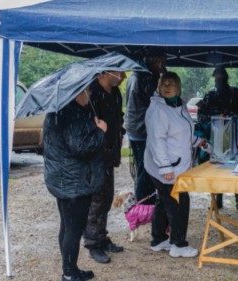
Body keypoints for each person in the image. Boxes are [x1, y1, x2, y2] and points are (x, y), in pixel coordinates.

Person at [43, 88, 107, 281]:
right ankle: (69, 273)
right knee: (73, 229)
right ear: (77, 93)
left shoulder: (58, 112)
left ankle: (70, 268)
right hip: (74, 183)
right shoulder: (72, 115)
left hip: (63, 179)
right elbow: (81, 147)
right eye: (87, 91)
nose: (89, 95)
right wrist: (100, 131)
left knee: (67, 225)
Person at [144, 71, 206, 258]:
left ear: (178, 87)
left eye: (171, 84)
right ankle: (178, 244)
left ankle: (158, 239)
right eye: (164, 84)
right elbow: (157, 141)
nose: (167, 87)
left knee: (164, 202)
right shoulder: (157, 110)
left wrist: (197, 142)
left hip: (176, 165)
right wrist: (165, 167)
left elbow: (182, 133)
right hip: (165, 167)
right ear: (158, 87)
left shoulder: (180, 105)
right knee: (179, 202)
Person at [83, 70, 126, 263]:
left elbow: (118, 118)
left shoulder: (116, 94)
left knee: (107, 197)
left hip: (111, 153)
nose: (123, 76)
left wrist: (120, 131)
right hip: (95, 156)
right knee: (96, 200)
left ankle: (101, 236)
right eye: (119, 72)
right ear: (105, 72)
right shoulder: (91, 93)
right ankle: (92, 243)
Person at [197, 66, 238, 213]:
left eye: (222, 78)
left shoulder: (237, 93)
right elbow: (201, 115)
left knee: (237, 169)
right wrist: (214, 118)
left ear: (227, 78)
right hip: (217, 139)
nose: (219, 81)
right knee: (217, 170)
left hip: (235, 137)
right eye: (217, 78)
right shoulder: (210, 96)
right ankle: (218, 200)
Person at [124, 50, 166, 203]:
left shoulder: (138, 75)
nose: (164, 64)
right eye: (162, 60)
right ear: (154, 60)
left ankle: (144, 199)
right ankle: (143, 203)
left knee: (143, 167)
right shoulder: (144, 77)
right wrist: (162, 76)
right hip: (142, 129)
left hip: (136, 128)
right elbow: (156, 102)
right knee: (145, 169)